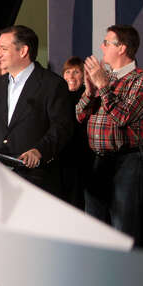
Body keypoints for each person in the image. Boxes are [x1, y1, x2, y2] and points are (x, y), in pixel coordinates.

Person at [76, 25, 143, 246]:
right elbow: (79, 115)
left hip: (128, 160)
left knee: (123, 228)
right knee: (94, 226)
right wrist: (90, 92)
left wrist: (103, 87)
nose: (102, 46)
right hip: (98, 160)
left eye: (107, 42)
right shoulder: (103, 77)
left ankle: (127, 278)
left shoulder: (140, 80)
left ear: (122, 48)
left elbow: (123, 118)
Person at [0, 26, 74, 195]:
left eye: (3, 49)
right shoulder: (0, 84)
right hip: (1, 178)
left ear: (23, 51)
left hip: (36, 180)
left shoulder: (52, 84)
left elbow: (62, 127)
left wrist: (39, 151)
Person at [59, 57, 89, 209]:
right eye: (68, 72)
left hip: (83, 160)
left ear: (84, 76)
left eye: (76, 72)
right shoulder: (57, 98)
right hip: (62, 159)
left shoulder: (89, 97)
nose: (71, 76)